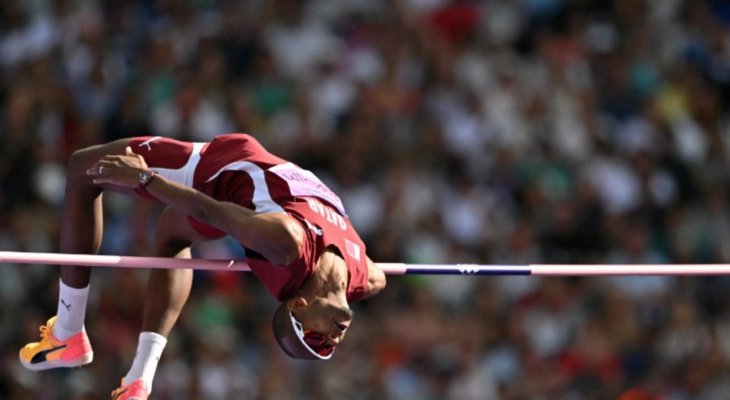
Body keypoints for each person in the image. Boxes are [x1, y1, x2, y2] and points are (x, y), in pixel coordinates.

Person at [18, 133, 387, 399]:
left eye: (317, 337)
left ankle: (68, 331)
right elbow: (380, 276)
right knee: (169, 234)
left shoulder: (287, 243)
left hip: (217, 177)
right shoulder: (364, 279)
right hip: (245, 204)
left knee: (85, 166)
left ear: (300, 305)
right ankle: (140, 379)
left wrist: (144, 179)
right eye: (326, 345)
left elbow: (209, 209)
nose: (334, 339)